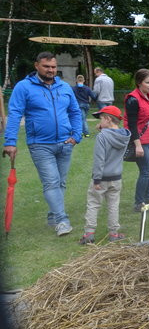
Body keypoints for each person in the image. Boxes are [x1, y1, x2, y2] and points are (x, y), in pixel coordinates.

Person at [3, 52, 83, 236]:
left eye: (53, 67)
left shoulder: (64, 87)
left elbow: (75, 112)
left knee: (61, 183)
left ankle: (52, 215)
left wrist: (76, 135)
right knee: (51, 183)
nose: (51, 70)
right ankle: (62, 220)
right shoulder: (24, 87)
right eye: (47, 66)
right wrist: (10, 142)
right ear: (36, 65)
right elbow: (14, 114)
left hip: (65, 142)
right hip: (40, 144)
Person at [78, 106, 131, 244]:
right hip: (116, 177)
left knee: (94, 203)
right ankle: (114, 234)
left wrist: (96, 180)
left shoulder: (102, 137)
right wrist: (103, 130)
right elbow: (112, 139)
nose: (100, 121)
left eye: (101, 118)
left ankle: (89, 234)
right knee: (113, 205)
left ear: (107, 119)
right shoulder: (124, 135)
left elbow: (99, 160)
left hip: (101, 178)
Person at [124, 68, 149, 212]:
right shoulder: (133, 99)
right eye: (148, 82)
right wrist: (137, 145)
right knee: (146, 171)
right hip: (139, 139)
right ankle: (139, 203)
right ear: (139, 82)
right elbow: (132, 124)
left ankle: (148, 196)